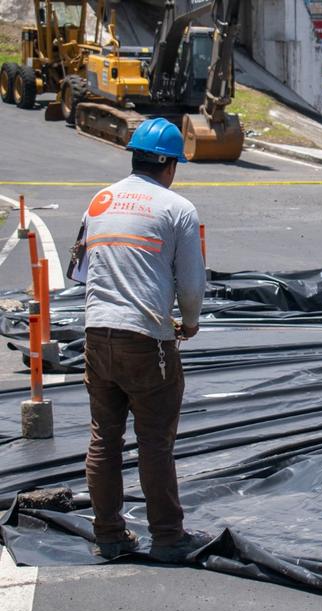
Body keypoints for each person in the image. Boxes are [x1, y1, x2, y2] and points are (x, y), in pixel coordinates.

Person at [80, 118, 210, 563]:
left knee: (104, 438)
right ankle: (168, 537)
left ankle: (108, 534)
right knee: (154, 441)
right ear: (170, 165)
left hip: (97, 334)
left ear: (135, 157)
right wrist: (189, 323)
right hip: (146, 338)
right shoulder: (177, 208)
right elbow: (190, 284)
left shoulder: (100, 201)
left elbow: (83, 270)